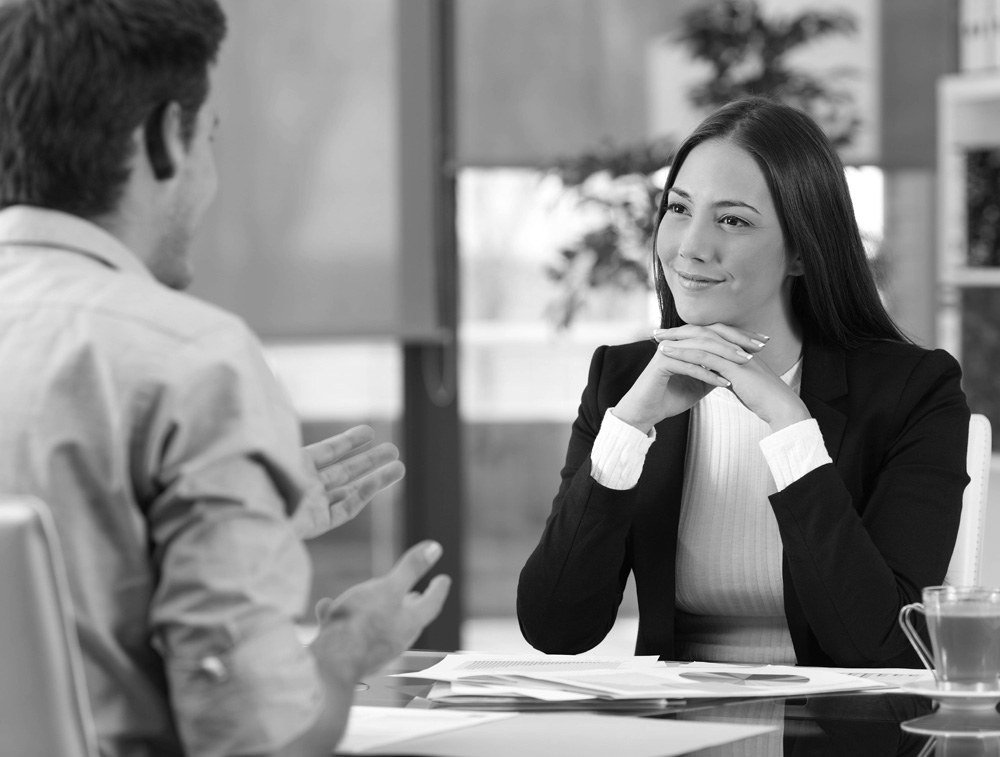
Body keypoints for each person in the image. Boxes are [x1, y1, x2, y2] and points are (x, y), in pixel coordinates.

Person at [0, 1, 450, 756]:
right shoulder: (190, 360)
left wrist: (239, 513)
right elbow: (255, 739)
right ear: (163, 138)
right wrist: (347, 648)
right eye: (209, 135)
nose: (212, 173)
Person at [517, 96, 970, 668]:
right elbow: (555, 628)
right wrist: (627, 429)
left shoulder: (915, 391)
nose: (690, 247)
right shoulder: (625, 381)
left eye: (732, 220)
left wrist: (791, 428)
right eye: (679, 209)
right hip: (680, 731)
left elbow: (885, 649)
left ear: (803, 251)